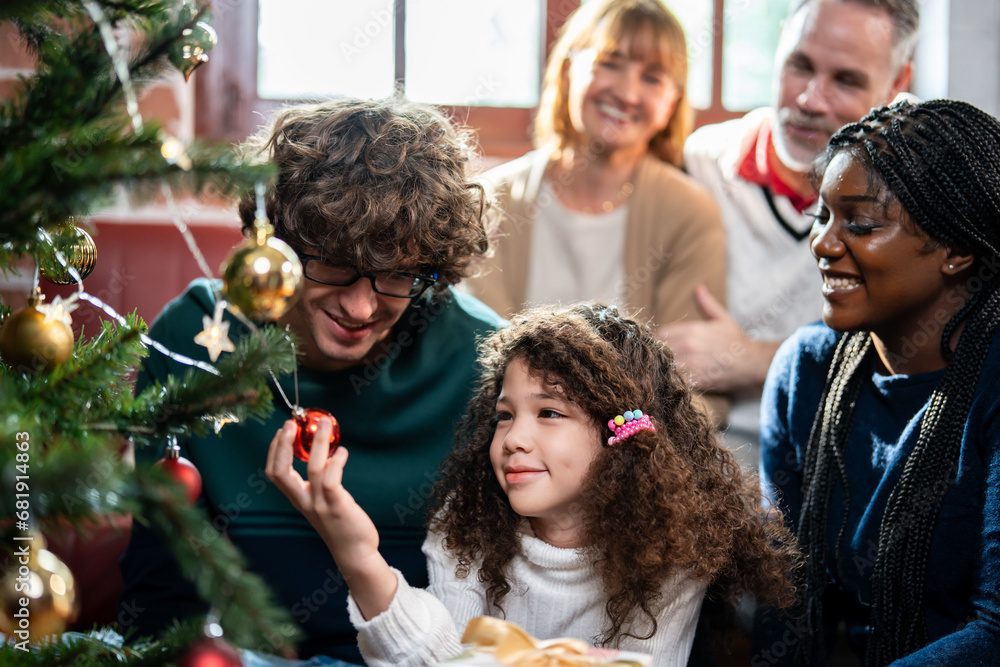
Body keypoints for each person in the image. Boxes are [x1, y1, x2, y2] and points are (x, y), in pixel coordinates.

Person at [118, 97, 506, 664]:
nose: (360, 305)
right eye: (332, 264)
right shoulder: (194, 336)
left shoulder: (483, 357)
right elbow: (161, 582)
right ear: (276, 243)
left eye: (397, 273)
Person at [267, 304, 798, 666]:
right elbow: (442, 660)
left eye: (549, 412)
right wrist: (358, 556)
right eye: (504, 415)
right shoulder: (467, 526)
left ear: (620, 432)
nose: (514, 438)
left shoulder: (675, 548)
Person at [757, 99, 1000, 665]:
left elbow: (994, 632)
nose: (824, 244)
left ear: (957, 250)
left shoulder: (990, 390)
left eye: (860, 224)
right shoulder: (807, 370)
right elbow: (782, 600)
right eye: (822, 216)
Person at [670, 0, 919, 469]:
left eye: (845, 79)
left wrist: (755, 358)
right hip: (708, 467)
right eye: (799, 66)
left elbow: (928, 366)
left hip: (860, 470)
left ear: (898, 84)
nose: (809, 100)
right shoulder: (702, 162)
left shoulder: (927, 182)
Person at [461, 0, 728, 419]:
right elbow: (481, 359)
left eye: (652, 77)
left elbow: (682, 387)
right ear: (568, 69)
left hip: (634, 451)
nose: (626, 92)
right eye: (610, 62)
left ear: (672, 102)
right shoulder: (493, 200)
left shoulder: (688, 210)